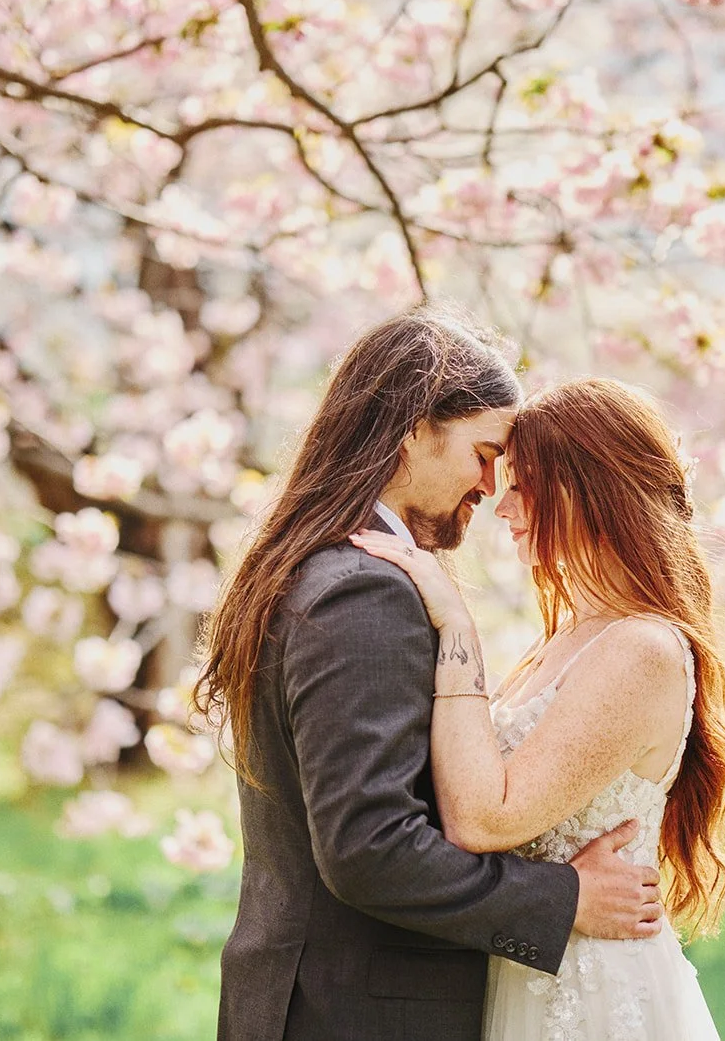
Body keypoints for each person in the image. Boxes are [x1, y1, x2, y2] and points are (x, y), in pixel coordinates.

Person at [200, 306, 663, 1041]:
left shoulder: (316, 564)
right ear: (414, 427)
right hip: (358, 1011)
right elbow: (370, 846)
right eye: (484, 452)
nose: (489, 486)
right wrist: (562, 897)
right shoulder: (364, 588)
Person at [350, 377, 725, 1040]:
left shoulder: (642, 647)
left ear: (587, 488)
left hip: (592, 993)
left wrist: (455, 627)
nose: (500, 506)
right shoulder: (565, 636)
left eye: (523, 484)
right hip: (533, 966)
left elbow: (485, 818)